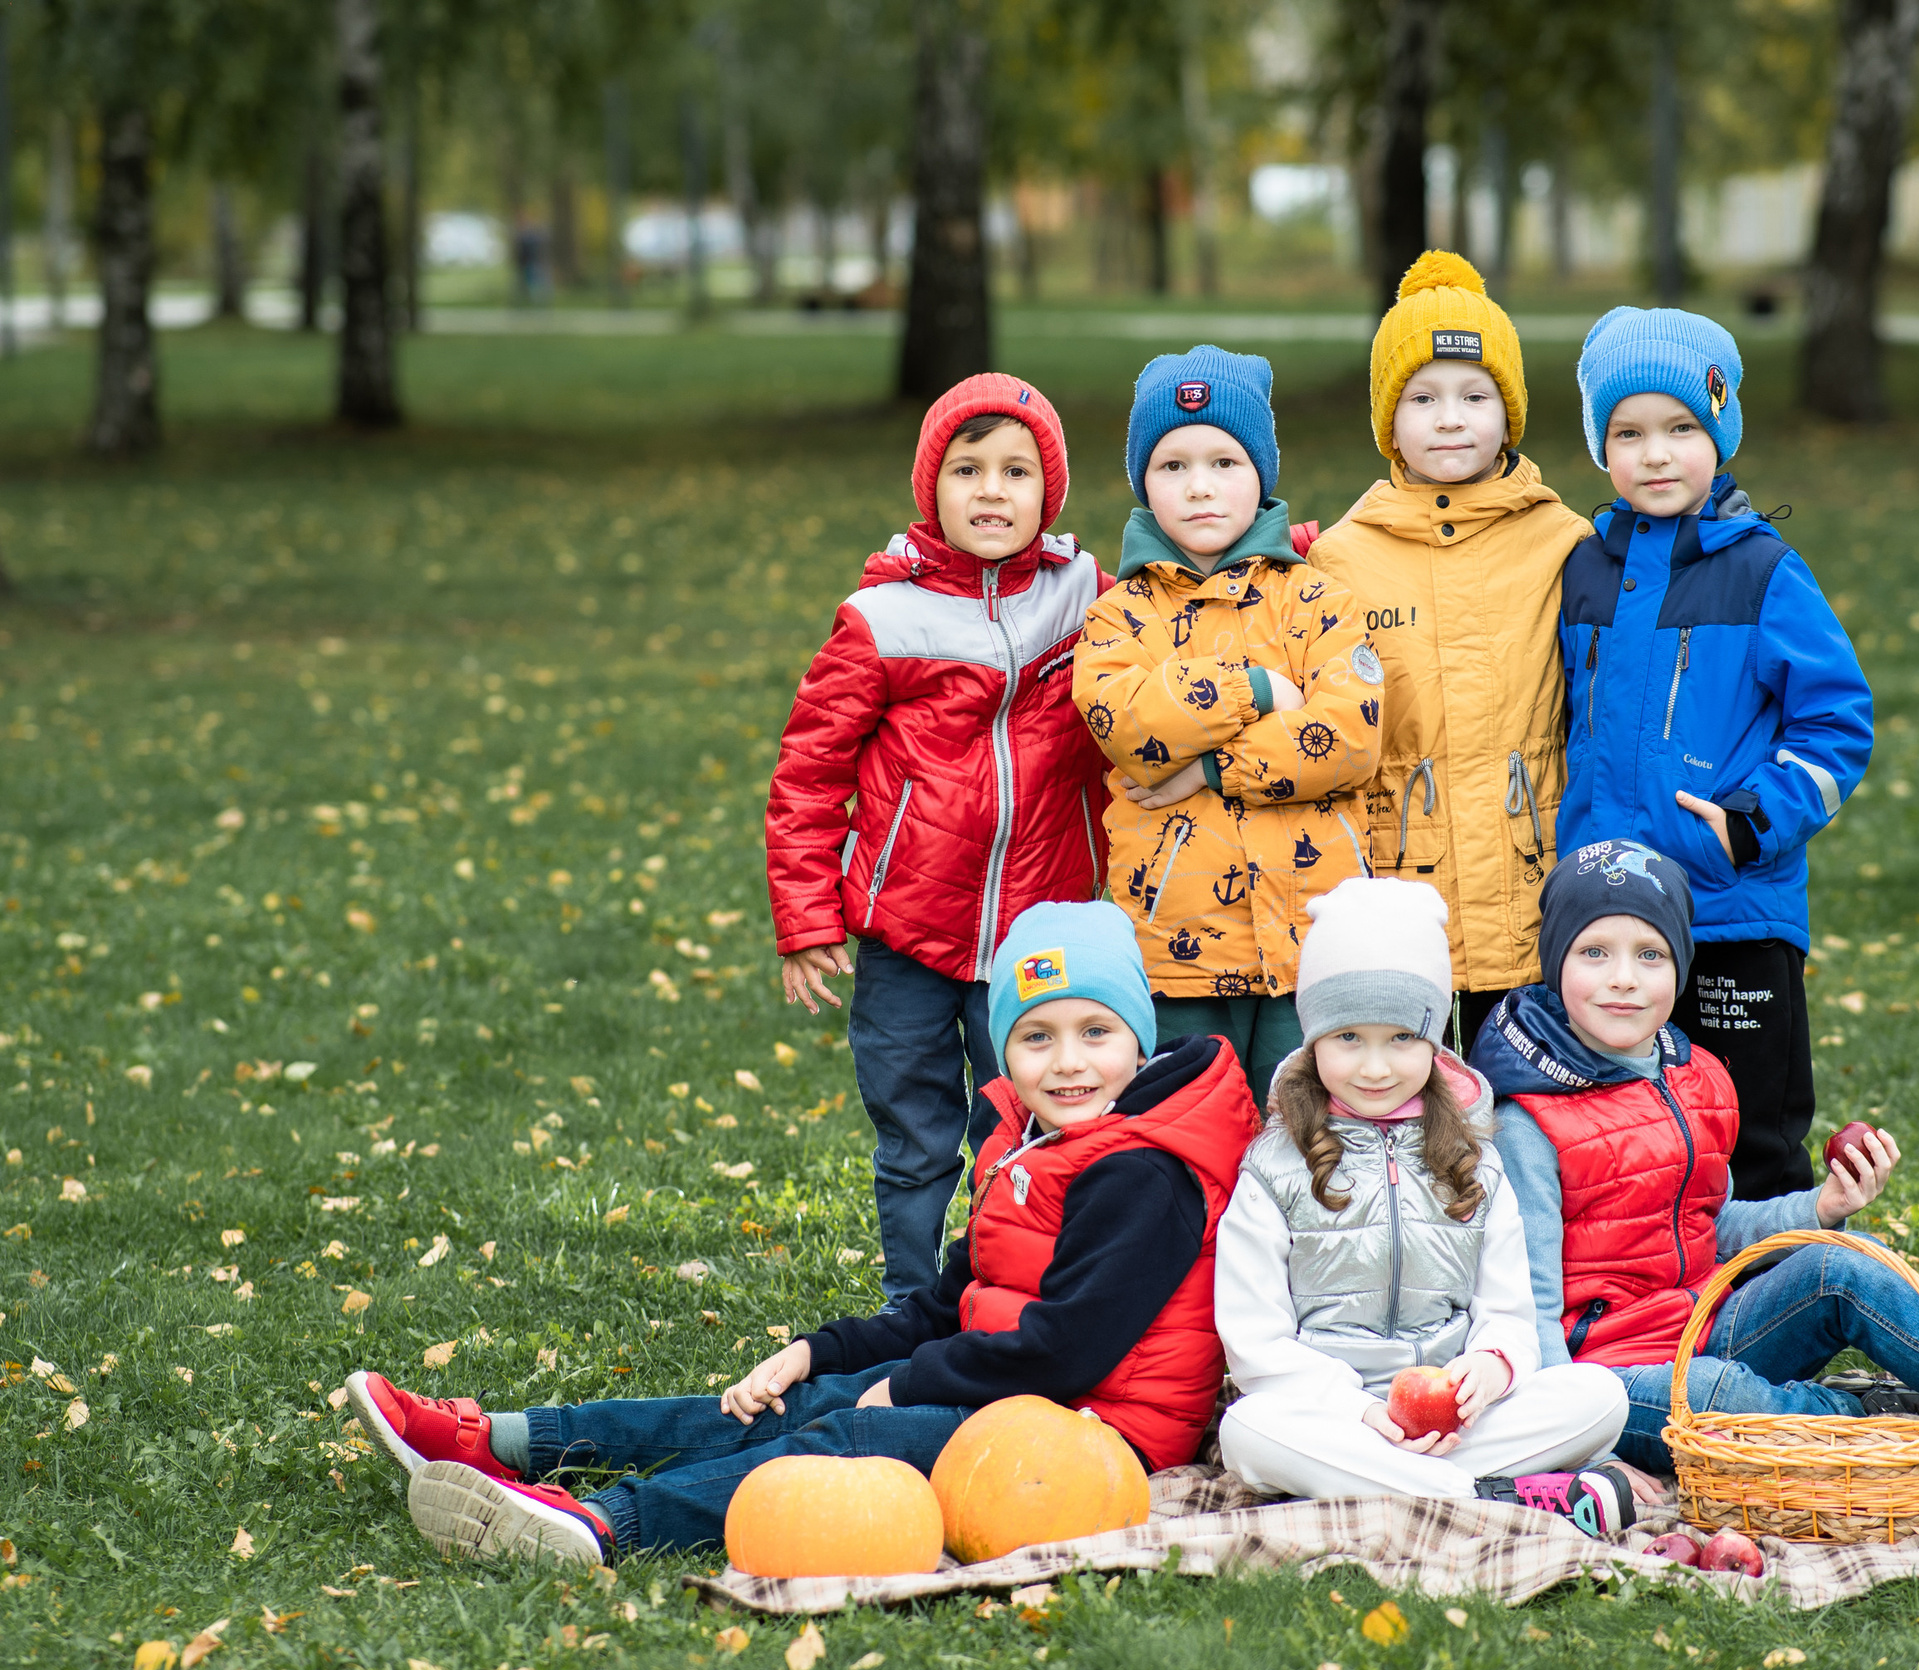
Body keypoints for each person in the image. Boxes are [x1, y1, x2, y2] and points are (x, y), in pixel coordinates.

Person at [351, 902, 1260, 1565]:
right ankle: (508, 1441)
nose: (1067, 1061)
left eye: (1096, 1031)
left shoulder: (1142, 1172)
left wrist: (906, 1384)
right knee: (784, 1401)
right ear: (1005, 1052)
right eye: (1036, 1037)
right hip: (1012, 1387)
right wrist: (815, 1349)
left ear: (1139, 1040)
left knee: (845, 1444)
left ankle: (603, 1524)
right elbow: (947, 1303)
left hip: (1095, 1431)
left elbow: (1070, 1348)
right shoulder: (1033, 1145)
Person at [1477, 840, 1919, 1490]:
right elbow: (1527, 1304)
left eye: (1650, 955)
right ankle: (1881, 1423)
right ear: (1556, 961)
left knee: (1846, 1262)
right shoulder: (1529, 1122)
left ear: (1681, 966)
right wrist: (1581, 1449)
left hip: (1703, 1328)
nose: (1624, 979)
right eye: (1594, 952)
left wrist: (1820, 1209)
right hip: (1604, 1382)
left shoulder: (1696, 1078)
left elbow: (1711, 1226)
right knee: (1723, 1392)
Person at [764, 373, 1112, 1302]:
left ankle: (1014, 1292)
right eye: (967, 469)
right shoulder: (883, 618)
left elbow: (1189, 596)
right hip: (905, 933)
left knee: (1028, 1122)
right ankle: (911, 1298)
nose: (992, 490)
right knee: (915, 1130)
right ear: (932, 487)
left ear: (1049, 491)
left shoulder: (1087, 596)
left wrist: (1284, 545)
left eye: (1016, 471)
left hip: (1037, 931)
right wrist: (806, 917)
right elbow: (809, 773)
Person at [1558, 308, 1873, 1202]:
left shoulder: (1765, 572)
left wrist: (1751, 820)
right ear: (1601, 447)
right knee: (1623, 1132)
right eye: (1629, 433)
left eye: (1681, 429)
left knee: (1749, 1136)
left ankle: (1778, 1278)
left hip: (1730, 907)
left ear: (1720, 433)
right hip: (1610, 912)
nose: (1656, 454)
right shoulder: (1582, 571)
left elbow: (1837, 721)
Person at [1214, 878, 1639, 1538]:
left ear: (1435, 1043)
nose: (1375, 1067)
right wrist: (1355, 1411)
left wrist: (1491, 1368)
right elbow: (1254, 1340)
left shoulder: (1475, 1159)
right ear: (1313, 1037)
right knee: (1248, 1430)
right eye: (1348, 1037)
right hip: (1334, 1418)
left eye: (1402, 1038)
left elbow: (1507, 1308)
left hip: (1458, 1422)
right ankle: (1489, 1498)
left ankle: (1406, 1490)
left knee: (1599, 1397)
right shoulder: (1276, 1165)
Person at [1305, 252, 1593, 1056]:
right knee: (1408, 1089)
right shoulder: (1342, 557)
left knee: (1530, 1085)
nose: (1450, 419)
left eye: (1475, 395)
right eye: (1422, 398)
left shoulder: (1563, 540)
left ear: (1509, 411)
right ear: (1388, 419)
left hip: (1530, 868)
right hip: (1400, 876)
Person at [1074, 346, 1379, 1092]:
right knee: (1188, 1126)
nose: (1199, 486)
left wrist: (1207, 767)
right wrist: (1259, 689)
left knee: (1306, 1128)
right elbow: (1126, 723)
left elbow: (1349, 737)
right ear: (1143, 481)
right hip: (1176, 946)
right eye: (1172, 465)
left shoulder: (1317, 600)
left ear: (1262, 474)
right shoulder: (1119, 613)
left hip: (1310, 936)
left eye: (1225, 462)